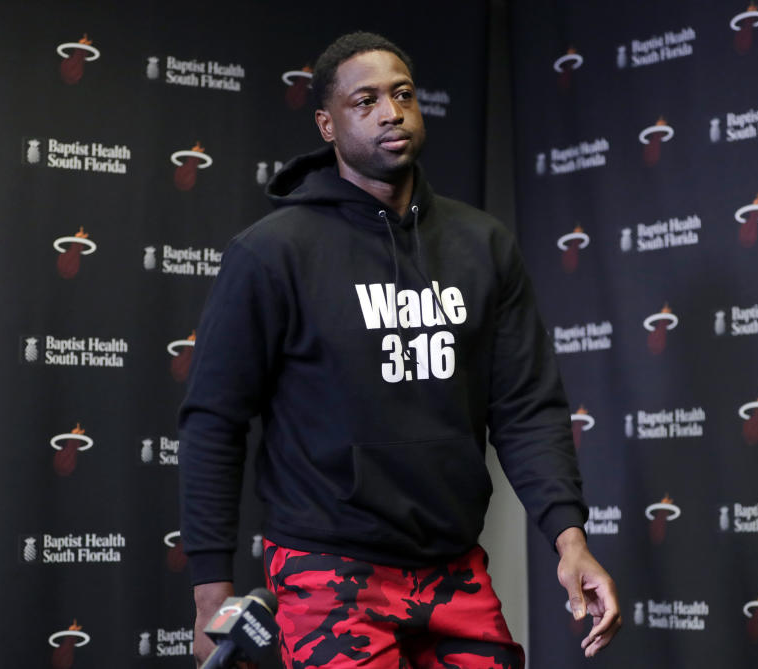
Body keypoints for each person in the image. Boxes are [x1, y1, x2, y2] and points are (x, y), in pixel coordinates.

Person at [179, 31, 621, 668]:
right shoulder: (273, 252)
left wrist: (569, 541)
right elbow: (213, 423)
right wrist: (209, 597)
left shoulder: (482, 244)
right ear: (327, 125)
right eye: (366, 101)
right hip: (325, 567)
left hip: (451, 565)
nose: (391, 111)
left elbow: (527, 408)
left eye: (403, 94)